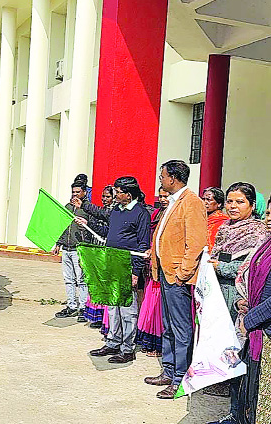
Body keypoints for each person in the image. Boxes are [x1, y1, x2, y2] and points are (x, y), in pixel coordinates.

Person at [207, 183, 269, 424]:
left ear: (253, 206)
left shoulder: (258, 232)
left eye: (240, 202)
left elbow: (252, 270)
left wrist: (220, 267)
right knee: (229, 357)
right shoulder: (225, 228)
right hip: (220, 297)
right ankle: (234, 412)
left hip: (241, 299)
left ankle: (241, 414)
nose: (233, 206)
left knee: (241, 359)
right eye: (230, 201)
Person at [145, 160, 207, 399]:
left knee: (181, 330)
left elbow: (196, 243)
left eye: (162, 176)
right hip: (165, 274)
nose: (160, 180)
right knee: (168, 326)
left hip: (177, 277)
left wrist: (183, 273)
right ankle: (169, 371)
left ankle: (180, 378)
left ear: (173, 178)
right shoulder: (173, 202)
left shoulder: (191, 203)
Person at [77, 176, 150, 364]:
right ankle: (112, 342)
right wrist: (87, 224)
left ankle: (127, 348)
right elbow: (106, 231)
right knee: (112, 308)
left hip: (127, 267)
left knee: (127, 310)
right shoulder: (116, 211)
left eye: (118, 192)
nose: (115, 194)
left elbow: (143, 245)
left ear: (129, 194)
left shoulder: (141, 213)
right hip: (111, 264)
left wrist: (135, 271)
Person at [228, 234, 271, 424]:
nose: (270, 219)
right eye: (269, 214)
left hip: (264, 330)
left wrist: (250, 320)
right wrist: (245, 301)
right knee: (249, 390)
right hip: (257, 330)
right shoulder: (266, 245)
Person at [135, 187, 170, 357]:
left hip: (166, 266)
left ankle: (159, 345)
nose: (163, 199)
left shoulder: (174, 214)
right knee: (149, 304)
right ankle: (149, 342)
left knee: (159, 308)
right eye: (161, 196)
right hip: (150, 265)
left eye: (167, 196)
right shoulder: (155, 213)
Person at [53, 180, 91, 320]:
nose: (75, 195)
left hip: (79, 249)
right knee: (68, 279)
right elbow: (61, 227)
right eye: (73, 192)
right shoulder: (67, 207)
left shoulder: (87, 209)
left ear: (84, 193)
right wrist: (58, 243)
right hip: (66, 248)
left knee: (81, 279)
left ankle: (83, 307)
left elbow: (91, 228)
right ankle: (71, 306)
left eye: (78, 192)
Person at [83, 185, 115, 329]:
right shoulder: (101, 211)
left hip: (106, 252)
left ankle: (104, 317)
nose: (104, 199)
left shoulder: (113, 213)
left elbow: (105, 230)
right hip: (96, 250)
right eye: (103, 196)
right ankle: (95, 315)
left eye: (108, 197)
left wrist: (89, 223)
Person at [203, 187, 230, 252]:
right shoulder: (200, 219)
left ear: (219, 204)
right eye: (203, 199)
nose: (205, 202)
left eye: (208, 200)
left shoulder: (224, 222)